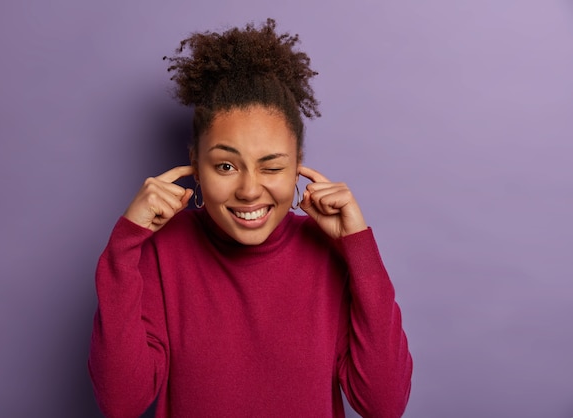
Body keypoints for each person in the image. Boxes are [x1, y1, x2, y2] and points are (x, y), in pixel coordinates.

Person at [88, 18, 412, 418]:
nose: (249, 190)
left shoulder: (330, 255)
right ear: (195, 164)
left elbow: (383, 405)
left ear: (298, 169)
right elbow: (121, 403)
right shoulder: (161, 251)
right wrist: (125, 246)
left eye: (271, 167)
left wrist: (359, 248)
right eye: (226, 166)